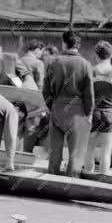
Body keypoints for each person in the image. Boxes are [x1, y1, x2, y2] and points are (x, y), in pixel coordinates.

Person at [42, 30, 94, 177]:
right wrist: (89, 113)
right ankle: (71, 184)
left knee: (55, 151)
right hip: (77, 111)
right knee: (75, 153)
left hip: (57, 107)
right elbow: (89, 93)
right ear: (79, 45)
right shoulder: (85, 64)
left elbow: (45, 91)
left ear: (64, 43)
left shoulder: (53, 62)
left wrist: (53, 106)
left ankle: (51, 181)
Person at [85, 41, 112, 175]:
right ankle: (102, 182)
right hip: (110, 114)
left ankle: (87, 180)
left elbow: (85, 93)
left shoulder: (91, 71)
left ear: (96, 55)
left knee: (89, 150)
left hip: (93, 113)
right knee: (106, 152)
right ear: (111, 55)